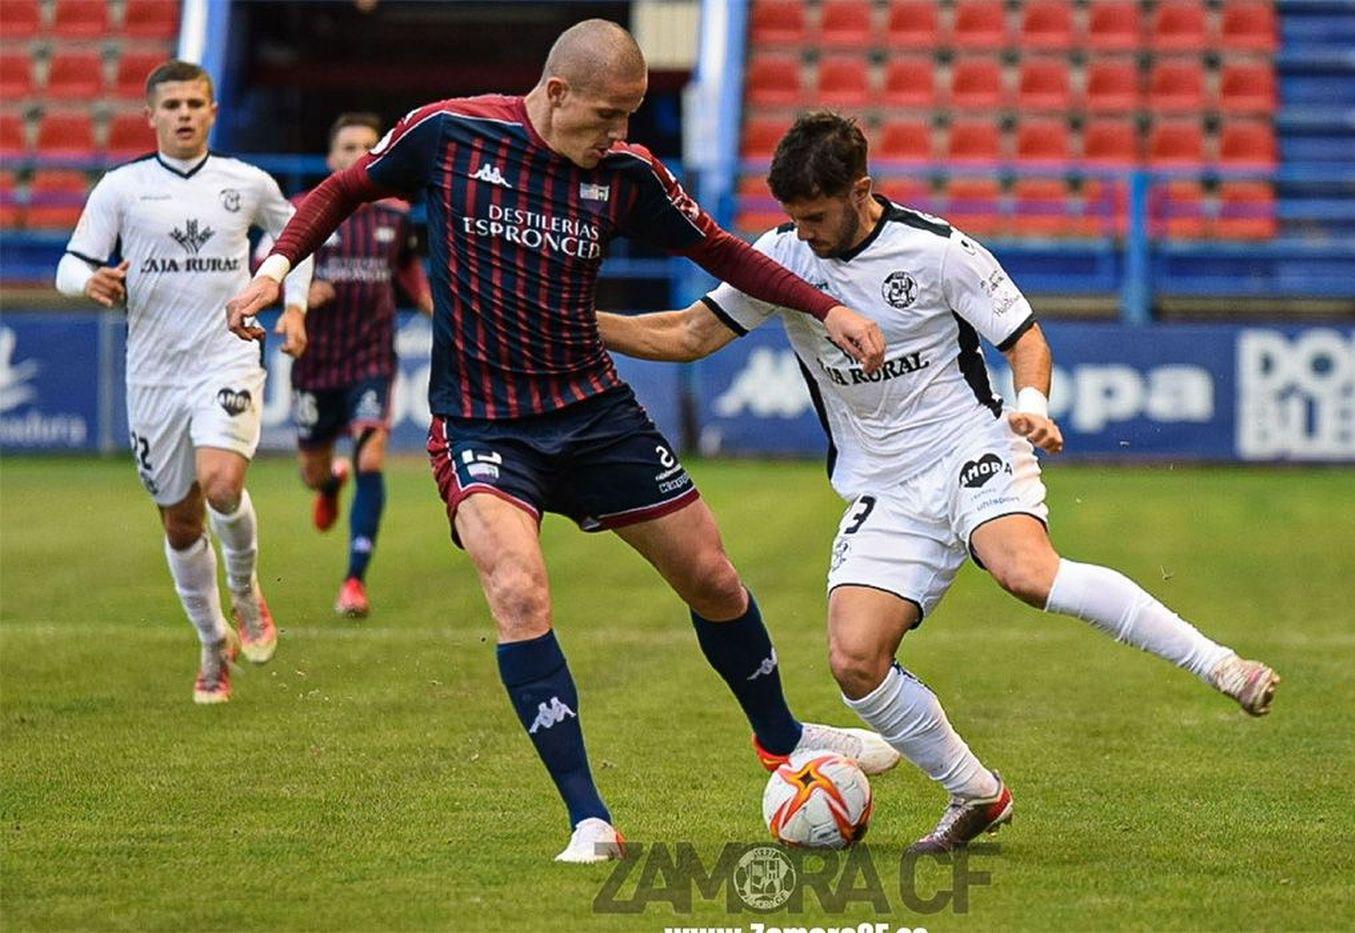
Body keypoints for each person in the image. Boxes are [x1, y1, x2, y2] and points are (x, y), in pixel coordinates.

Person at [223, 21, 895, 863]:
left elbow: (721, 250)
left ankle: (784, 738)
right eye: (609, 116)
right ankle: (590, 817)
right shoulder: (451, 133)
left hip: (592, 408)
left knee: (713, 576)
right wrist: (273, 271)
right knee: (518, 593)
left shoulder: (628, 175)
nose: (620, 136)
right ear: (556, 93)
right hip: (482, 421)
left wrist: (828, 306)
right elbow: (339, 193)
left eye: (632, 119)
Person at [598, 111, 1281, 853]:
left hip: (969, 448)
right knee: (854, 661)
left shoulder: (938, 252)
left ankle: (1222, 665)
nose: (806, 234)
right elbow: (691, 335)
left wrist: (1032, 407)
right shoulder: (785, 254)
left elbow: (1025, 338)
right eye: (792, 218)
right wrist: (577, 317)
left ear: (861, 189)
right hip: (884, 486)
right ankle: (976, 793)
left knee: (1028, 573)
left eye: (817, 217)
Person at [55, 60, 313, 703]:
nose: (184, 114)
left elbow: (297, 239)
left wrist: (296, 305)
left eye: (196, 103)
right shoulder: (122, 188)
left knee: (223, 483)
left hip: (224, 356)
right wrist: (88, 281)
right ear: (151, 116)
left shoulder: (246, 183)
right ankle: (210, 642)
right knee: (179, 522)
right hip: (153, 376)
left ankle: (248, 594)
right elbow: (70, 263)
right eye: (171, 106)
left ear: (214, 110)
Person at [259, 113, 435, 618]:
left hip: (372, 357)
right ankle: (329, 483)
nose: (359, 153)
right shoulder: (304, 210)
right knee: (311, 472)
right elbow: (264, 263)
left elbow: (405, 264)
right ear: (331, 158)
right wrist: (300, 291)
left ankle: (354, 581)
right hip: (315, 361)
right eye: (348, 146)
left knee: (372, 458)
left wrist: (430, 305)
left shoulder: (395, 214)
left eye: (367, 145)